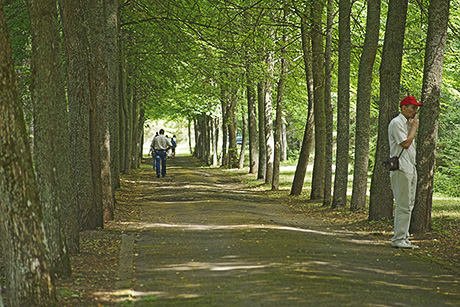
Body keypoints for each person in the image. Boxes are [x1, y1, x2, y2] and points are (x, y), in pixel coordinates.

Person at [388, 95, 423, 249]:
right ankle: (398, 239)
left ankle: (404, 237)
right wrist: (414, 127)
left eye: (416, 108)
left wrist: (412, 126)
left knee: (409, 204)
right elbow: (406, 143)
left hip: (410, 167)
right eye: (413, 107)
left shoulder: (407, 124)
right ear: (404, 108)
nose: (415, 111)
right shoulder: (396, 123)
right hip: (401, 167)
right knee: (403, 204)